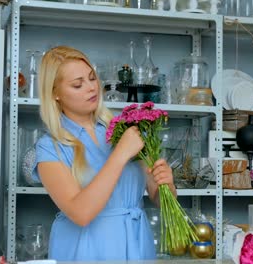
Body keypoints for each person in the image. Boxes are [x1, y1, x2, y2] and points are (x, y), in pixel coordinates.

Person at [31, 46, 175, 261]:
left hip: (135, 243)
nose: (91, 88)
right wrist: (119, 155)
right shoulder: (50, 147)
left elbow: (161, 199)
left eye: (92, 78)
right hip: (85, 249)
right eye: (78, 84)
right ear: (55, 94)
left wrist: (167, 184)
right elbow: (81, 214)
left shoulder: (126, 127)